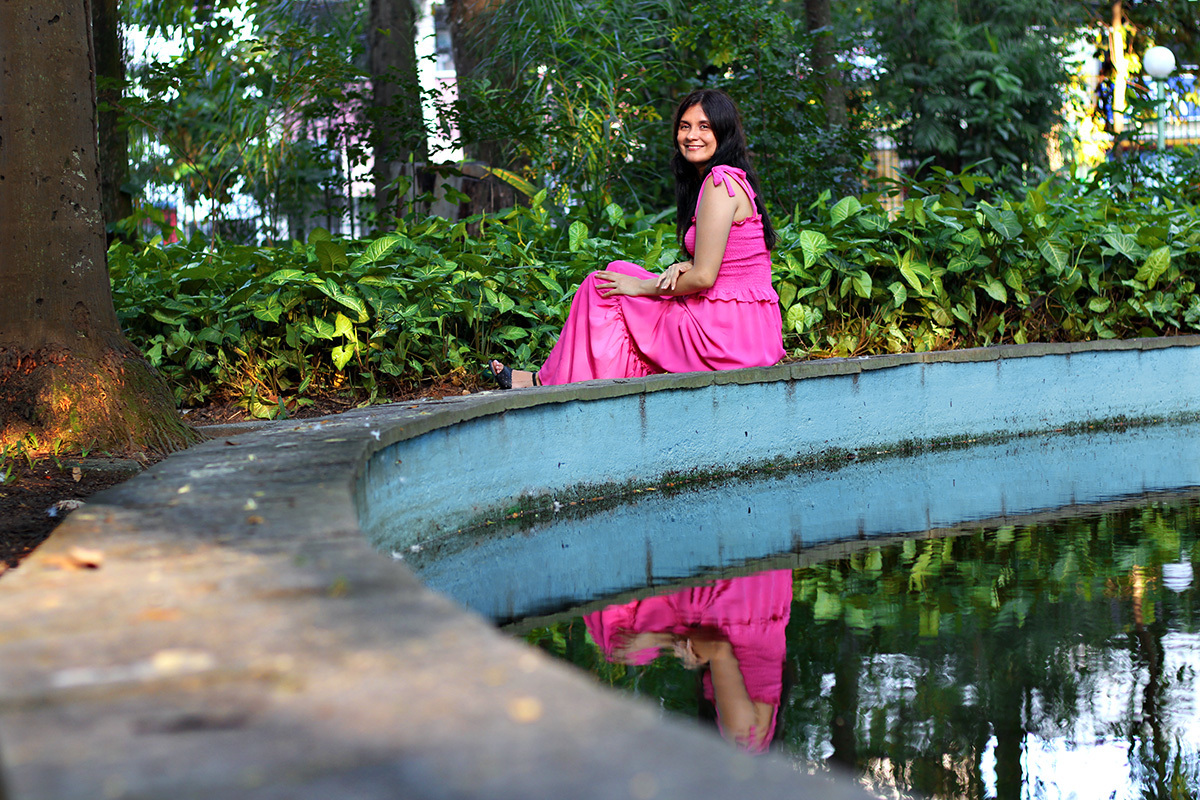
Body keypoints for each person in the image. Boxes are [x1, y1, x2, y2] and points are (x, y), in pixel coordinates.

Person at [489, 88, 786, 389]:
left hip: (725, 339)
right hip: (751, 333)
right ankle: (571, 380)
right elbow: (732, 261)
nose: (692, 135)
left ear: (724, 132)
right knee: (617, 271)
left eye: (704, 126)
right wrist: (688, 264)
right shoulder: (732, 179)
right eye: (685, 126)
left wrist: (643, 287)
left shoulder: (718, 182)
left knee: (601, 285)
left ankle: (543, 382)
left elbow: (705, 278)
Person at [583, 570, 793, 753]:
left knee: (627, 643)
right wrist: (656, 639)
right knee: (617, 641)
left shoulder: (760, 741)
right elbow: (719, 649)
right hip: (738, 600)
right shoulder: (743, 741)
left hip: (766, 596)